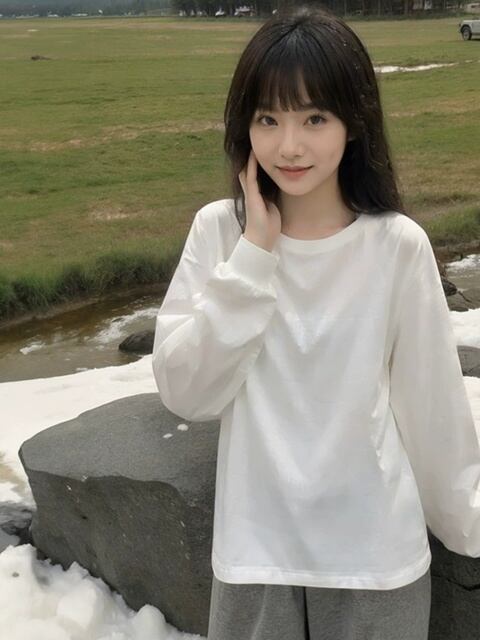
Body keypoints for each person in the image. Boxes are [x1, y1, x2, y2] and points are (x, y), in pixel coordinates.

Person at [151, 6, 480, 639]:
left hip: (375, 557)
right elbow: (187, 393)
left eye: (315, 118)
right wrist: (254, 256)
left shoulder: (396, 245)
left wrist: (467, 523)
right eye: (267, 119)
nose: (289, 146)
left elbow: (431, 407)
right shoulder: (219, 231)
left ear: (354, 123)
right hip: (255, 555)